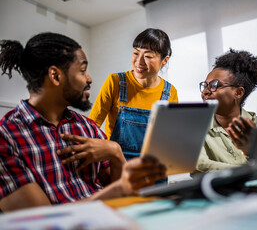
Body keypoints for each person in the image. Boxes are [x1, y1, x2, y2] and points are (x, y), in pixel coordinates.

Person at [0, 32, 166, 213]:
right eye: (82, 70)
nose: (89, 79)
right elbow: (38, 219)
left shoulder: (86, 127)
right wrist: (117, 190)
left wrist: (116, 152)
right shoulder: (6, 137)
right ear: (55, 76)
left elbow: (119, 190)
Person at [89, 28, 178, 161]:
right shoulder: (115, 82)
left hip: (152, 166)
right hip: (117, 164)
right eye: (136, 53)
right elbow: (91, 127)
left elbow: (169, 137)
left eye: (148, 56)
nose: (139, 61)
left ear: (164, 60)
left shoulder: (170, 93)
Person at [196, 49, 257, 172]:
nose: (205, 91)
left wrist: (251, 152)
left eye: (214, 85)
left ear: (238, 92)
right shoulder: (196, 128)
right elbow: (201, 164)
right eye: (205, 85)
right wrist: (251, 170)